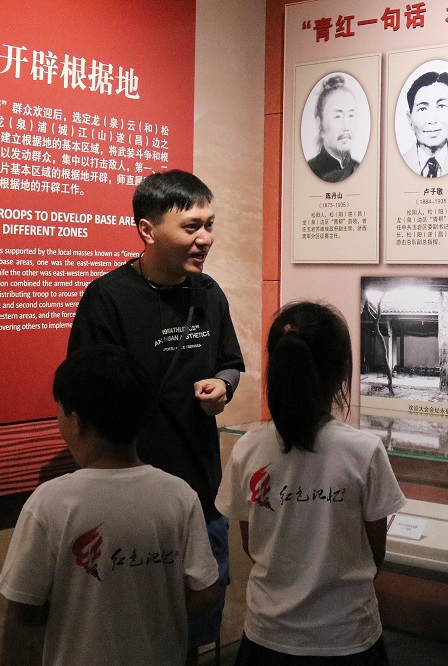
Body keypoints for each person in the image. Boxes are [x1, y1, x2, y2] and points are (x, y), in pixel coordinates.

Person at [67, 170, 245, 661]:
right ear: (147, 230)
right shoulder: (108, 298)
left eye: (209, 224)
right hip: (128, 498)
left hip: (200, 491)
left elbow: (230, 361)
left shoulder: (209, 292)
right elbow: (83, 393)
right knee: (132, 632)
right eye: (191, 227)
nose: (205, 238)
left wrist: (223, 386)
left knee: (195, 627)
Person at [0, 345, 221, 665]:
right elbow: (207, 592)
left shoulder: (48, 502)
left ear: (75, 421)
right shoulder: (179, 495)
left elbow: (23, 611)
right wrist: (152, 620)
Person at [217, 301, 407, 664]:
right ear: (341, 372)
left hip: (266, 636)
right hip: (346, 636)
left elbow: (251, 544)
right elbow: (375, 552)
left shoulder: (248, 449)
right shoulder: (364, 450)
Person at [402, 71, 448, 178]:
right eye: (422, 109)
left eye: (441, 106)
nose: (432, 120)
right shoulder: (396, 165)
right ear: (410, 120)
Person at [307, 74, 360, 183]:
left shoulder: (360, 169)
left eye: (351, 115)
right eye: (338, 116)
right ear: (319, 123)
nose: (346, 127)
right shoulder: (310, 171)